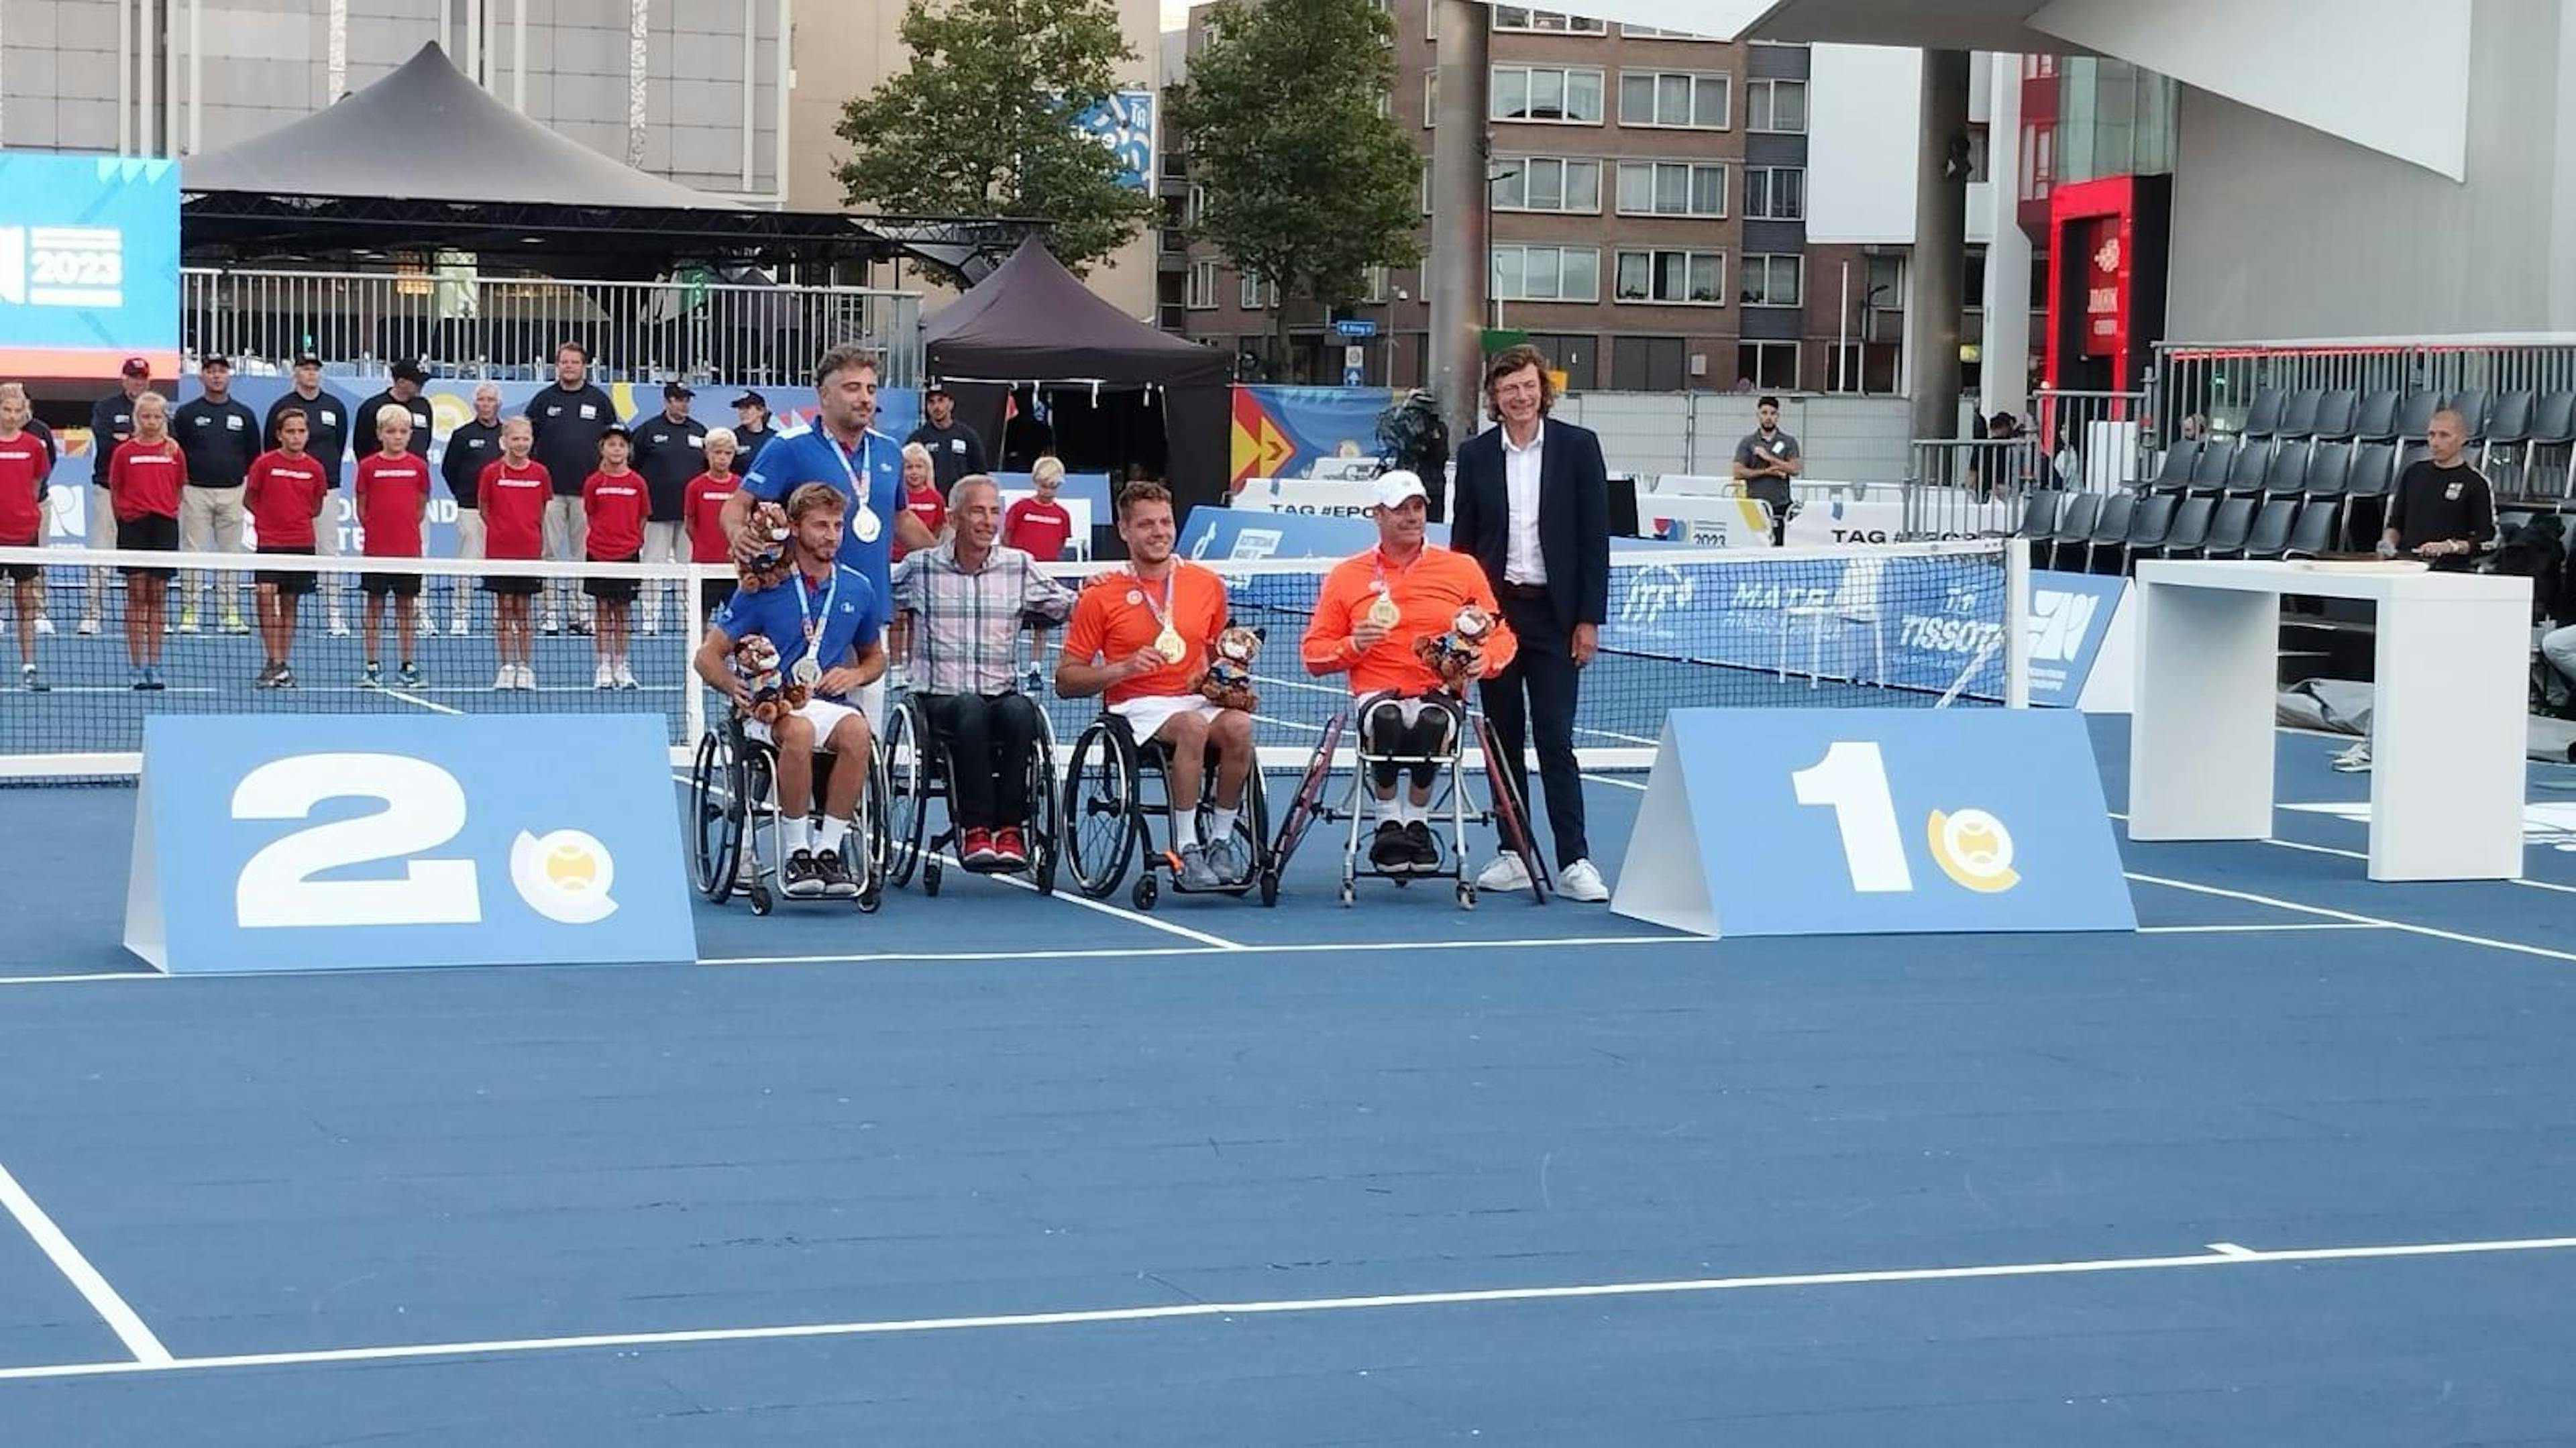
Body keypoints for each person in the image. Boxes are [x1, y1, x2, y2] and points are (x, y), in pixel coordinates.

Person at [1447, 343, 1612, 903]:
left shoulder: (1579, 448)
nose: (1520, 397)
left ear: (1544, 390)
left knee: (1555, 738)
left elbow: (1595, 540)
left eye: (1528, 387)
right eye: (1508, 389)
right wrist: (1466, 619)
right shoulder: (1474, 456)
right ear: (1494, 397)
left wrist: (1588, 618)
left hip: (1556, 618)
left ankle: (1574, 859)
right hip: (1495, 619)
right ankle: (1514, 850)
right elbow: (1464, 543)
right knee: (1502, 739)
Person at [1300, 470, 1517, 874]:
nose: (1412, 517)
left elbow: (1499, 632)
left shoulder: (1461, 568)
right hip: (1377, 692)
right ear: (1377, 515)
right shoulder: (1346, 575)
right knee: (1388, 719)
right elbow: (1314, 655)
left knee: (1432, 720)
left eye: (1418, 508)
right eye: (1400, 510)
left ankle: (1416, 821)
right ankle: (1387, 820)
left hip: (1440, 690)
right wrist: (1353, 645)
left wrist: (1486, 662)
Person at [1055, 480, 1255, 889]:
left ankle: (1219, 840)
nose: (1159, 532)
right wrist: (1123, 668)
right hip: (1136, 705)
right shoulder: (1100, 594)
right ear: (1124, 530)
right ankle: (1186, 845)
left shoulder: (1206, 584)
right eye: (1146, 525)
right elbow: (1066, 679)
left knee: (1239, 726)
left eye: (1165, 522)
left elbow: (1221, 653)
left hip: (1194, 699)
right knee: (1192, 727)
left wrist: (1225, 675)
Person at [694, 482, 889, 899]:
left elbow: (876, 658)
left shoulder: (858, 588)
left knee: (857, 732)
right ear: (796, 528)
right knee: (798, 732)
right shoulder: (765, 587)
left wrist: (854, 677)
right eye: (821, 525)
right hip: (771, 707)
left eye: (838, 525)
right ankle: (797, 852)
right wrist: (733, 687)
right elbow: (707, 656)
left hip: (827, 703)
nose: (832, 535)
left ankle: (829, 851)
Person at [722, 345, 935, 726]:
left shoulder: (888, 452)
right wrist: (739, 534)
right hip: (798, 614)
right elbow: (737, 506)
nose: (865, 398)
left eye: (871, 389)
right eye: (853, 388)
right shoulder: (789, 447)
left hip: (866, 612)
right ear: (823, 394)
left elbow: (902, 519)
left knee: (860, 737)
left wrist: (949, 557)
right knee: (797, 735)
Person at [890, 474, 1073, 870]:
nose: (988, 521)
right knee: (970, 708)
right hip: (938, 698)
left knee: (1022, 712)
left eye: (994, 511)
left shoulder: (1019, 566)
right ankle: (975, 829)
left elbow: (1069, 605)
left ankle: (1010, 829)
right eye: (978, 511)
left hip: (1000, 693)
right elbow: (869, 597)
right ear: (953, 517)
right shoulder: (920, 568)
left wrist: (1116, 589)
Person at [2336, 406, 2500, 775]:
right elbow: (2395, 524)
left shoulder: (2475, 484)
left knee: (2441, 666)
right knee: (2392, 659)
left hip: (2448, 583)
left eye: (2444, 435)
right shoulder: (2414, 474)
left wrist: (2450, 546)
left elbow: (2488, 540)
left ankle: (2442, 742)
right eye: (2431, 435)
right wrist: (2387, 543)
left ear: (2461, 439)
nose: (2436, 442)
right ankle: (2374, 744)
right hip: (2406, 578)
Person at [525, 341, 616, 635]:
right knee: (547, 553)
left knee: (582, 556)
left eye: (574, 362)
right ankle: (549, 614)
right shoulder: (542, 400)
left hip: (587, 494)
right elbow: (526, 440)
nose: (569, 367)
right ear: (557, 365)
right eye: (564, 362)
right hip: (549, 494)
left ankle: (581, 614)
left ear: (584, 366)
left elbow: (613, 442)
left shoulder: (600, 401)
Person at [264, 353, 358, 638]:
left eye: (315, 369)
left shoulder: (335, 407)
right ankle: (280, 612)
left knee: (328, 551)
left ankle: (334, 614)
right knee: (283, 553)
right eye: (305, 369)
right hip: (287, 491)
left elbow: (340, 443)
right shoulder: (281, 407)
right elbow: (269, 447)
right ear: (296, 373)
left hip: (326, 488)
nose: (311, 374)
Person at [172, 353, 260, 634]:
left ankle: (229, 611)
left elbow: (253, 455)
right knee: (192, 554)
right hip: (195, 492)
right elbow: (177, 452)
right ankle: (190, 612)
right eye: (211, 371)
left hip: (233, 492)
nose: (217, 376)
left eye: (222, 371)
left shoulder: (244, 414)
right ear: (202, 376)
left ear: (229, 375)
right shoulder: (186, 413)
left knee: (230, 555)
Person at [244, 407, 331, 688]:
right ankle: (273, 659)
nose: (296, 436)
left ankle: (281, 663)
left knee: (290, 603)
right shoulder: (264, 464)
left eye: (301, 431)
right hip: (270, 543)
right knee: (265, 597)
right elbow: (250, 499)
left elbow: (316, 506)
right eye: (290, 431)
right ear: (280, 434)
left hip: (301, 543)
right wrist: (270, 522)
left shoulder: (315, 469)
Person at [107, 390, 183, 689]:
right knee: (136, 596)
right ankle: (136, 664)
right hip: (134, 527)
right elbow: (116, 489)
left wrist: (166, 510)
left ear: (163, 418)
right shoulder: (124, 452)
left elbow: (178, 487)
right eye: (146, 416)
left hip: (164, 527)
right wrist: (127, 517)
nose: (151, 422)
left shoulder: (173, 451)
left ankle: (155, 663)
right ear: (137, 418)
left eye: (156, 416)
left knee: (158, 597)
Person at [353, 404, 432, 689]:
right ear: (380, 434)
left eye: (402, 431)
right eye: (391, 431)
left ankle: (407, 664)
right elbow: (362, 507)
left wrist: (405, 528)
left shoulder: (418, 467)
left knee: (406, 608)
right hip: (376, 551)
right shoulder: (368, 467)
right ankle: (372, 665)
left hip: (408, 551)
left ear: (410, 434)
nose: (397, 436)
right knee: (374, 607)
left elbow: (420, 506)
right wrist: (377, 530)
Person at [478, 416, 551, 690]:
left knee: (524, 611)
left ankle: (525, 666)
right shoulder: (491, 473)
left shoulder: (540, 474)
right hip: (499, 552)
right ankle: (506, 666)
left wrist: (528, 533)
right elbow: (485, 508)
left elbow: (541, 510)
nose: (520, 444)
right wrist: (501, 531)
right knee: (504, 608)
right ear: (504, 441)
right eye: (515, 439)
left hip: (529, 551)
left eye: (525, 439)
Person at [81, 356, 152, 638]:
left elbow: (165, 444)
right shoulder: (106, 407)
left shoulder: (155, 409)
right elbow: (108, 444)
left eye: (143, 377)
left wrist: (130, 440)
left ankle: (145, 616)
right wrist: (139, 441)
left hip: (144, 496)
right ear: (124, 379)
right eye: (134, 377)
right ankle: (92, 614)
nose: (138, 382)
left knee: (144, 559)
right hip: (108, 489)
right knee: (101, 552)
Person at [631, 381, 707, 637]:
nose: (683, 404)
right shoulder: (648, 431)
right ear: (666, 401)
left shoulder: (700, 432)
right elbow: (633, 466)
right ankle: (650, 619)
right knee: (653, 565)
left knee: (689, 567)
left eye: (686, 399)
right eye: (678, 399)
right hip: (658, 512)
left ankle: (688, 619)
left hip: (689, 516)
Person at [1002, 456, 1077, 691]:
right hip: (1019, 577)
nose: (1048, 491)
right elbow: (1006, 537)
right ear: (1035, 482)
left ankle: (1035, 669)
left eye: (1053, 487)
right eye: (1044, 485)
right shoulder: (1020, 508)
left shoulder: (1062, 515)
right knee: (1012, 625)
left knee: (1042, 627)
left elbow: (1061, 542)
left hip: (1046, 578)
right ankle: (1009, 670)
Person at [582, 426, 648, 690]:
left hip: (627, 555)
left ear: (628, 450)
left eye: (621, 445)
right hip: (598, 554)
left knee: (622, 612)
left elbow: (642, 517)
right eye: (611, 444)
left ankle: (621, 664)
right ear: (603, 448)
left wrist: (632, 541)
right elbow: (591, 514)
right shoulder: (594, 483)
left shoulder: (637, 483)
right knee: (601, 611)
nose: (617, 449)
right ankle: (603, 666)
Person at [440, 382, 507, 636]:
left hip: (504, 513)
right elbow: (449, 469)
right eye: (481, 399)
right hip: (470, 508)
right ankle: (460, 616)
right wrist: (465, 495)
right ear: (475, 404)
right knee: (467, 562)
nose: (486, 404)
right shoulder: (462, 435)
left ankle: (500, 617)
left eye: (490, 400)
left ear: (498, 404)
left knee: (502, 567)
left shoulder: (507, 434)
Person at [0, 390, 50, 690]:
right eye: (7, 410)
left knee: (25, 604)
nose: (12, 416)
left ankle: (29, 666)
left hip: (24, 534)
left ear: (25, 413)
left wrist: (24, 516)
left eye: (18, 410)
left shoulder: (34, 446)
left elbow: (35, 487)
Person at [686, 428, 745, 621]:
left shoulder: (741, 486)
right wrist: (705, 547)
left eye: (727, 453)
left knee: (737, 618)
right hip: (704, 566)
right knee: (701, 617)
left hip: (734, 566)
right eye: (717, 452)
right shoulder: (695, 487)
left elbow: (746, 521)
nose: (722, 458)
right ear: (707, 453)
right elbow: (690, 523)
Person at [1731, 394, 1802, 547]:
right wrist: (1767, 472)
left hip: (1780, 506)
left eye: (1772, 413)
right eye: (1764, 413)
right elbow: (1737, 472)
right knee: (1753, 548)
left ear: (1778, 416)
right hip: (1755, 506)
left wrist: (1769, 457)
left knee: (1779, 548)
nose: (1768, 417)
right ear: (1758, 415)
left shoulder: (1789, 442)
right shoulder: (1748, 442)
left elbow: (1795, 469)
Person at [905, 383, 987, 496]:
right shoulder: (918, 438)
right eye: (931, 402)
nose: (936, 407)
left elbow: (980, 474)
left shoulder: (968, 436)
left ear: (951, 404)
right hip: (930, 502)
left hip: (960, 502)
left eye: (941, 400)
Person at [729, 390, 776, 471]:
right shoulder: (732, 437)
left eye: (747, 408)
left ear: (761, 411)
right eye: (740, 408)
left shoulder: (774, 438)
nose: (742, 412)